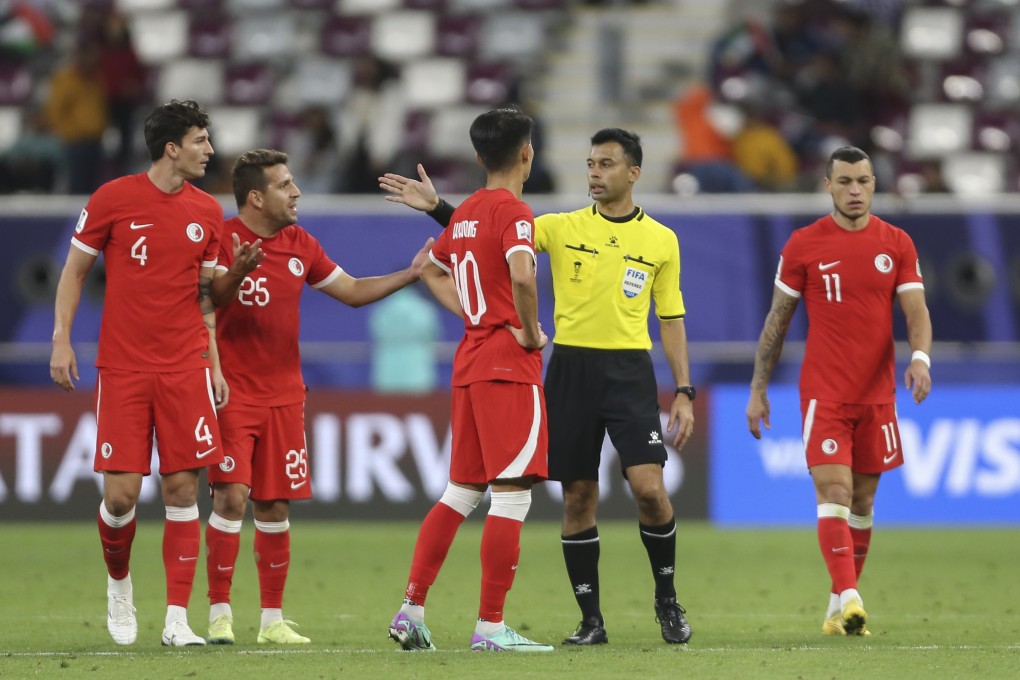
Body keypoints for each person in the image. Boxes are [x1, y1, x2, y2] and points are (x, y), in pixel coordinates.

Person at [380, 127, 696, 647]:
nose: (595, 172)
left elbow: (672, 317)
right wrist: (441, 209)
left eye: (607, 164)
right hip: (569, 372)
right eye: (591, 163)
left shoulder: (662, 240)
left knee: (649, 490)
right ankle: (591, 621)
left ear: (633, 173)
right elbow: (489, 231)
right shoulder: (558, 226)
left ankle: (666, 599)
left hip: (630, 373)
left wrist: (683, 389)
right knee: (577, 497)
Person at [204, 148, 432, 645]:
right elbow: (205, 302)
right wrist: (236, 274)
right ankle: (219, 613)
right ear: (256, 197)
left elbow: (350, 290)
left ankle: (271, 621)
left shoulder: (299, 243)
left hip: (285, 394)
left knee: (274, 507)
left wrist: (411, 275)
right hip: (231, 392)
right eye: (286, 185)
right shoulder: (219, 238)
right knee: (231, 496)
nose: (297, 192)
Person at [49, 99, 243, 647]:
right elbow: (73, 272)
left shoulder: (208, 210)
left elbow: (207, 297)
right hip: (125, 367)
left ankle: (178, 619)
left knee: (183, 489)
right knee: (121, 498)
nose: (210, 150)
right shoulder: (113, 198)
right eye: (201, 140)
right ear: (172, 147)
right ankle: (119, 586)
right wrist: (61, 338)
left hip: (184, 366)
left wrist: (214, 361)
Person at [745, 145, 932, 636]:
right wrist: (758, 388)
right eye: (845, 181)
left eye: (863, 181)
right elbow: (776, 322)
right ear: (827, 185)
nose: (854, 190)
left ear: (874, 184)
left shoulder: (897, 243)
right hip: (824, 394)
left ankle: (836, 606)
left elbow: (916, 312)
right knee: (835, 491)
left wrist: (919, 358)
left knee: (864, 503)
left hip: (877, 396)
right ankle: (851, 596)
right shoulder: (805, 245)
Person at [386, 107, 554, 653]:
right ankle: (490, 626)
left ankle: (411, 609)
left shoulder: (466, 215)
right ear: (527, 153)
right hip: (509, 365)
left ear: (480, 157)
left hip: (471, 362)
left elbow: (425, 266)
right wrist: (528, 332)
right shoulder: (515, 211)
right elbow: (524, 273)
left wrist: (475, 314)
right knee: (511, 497)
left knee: (460, 491)